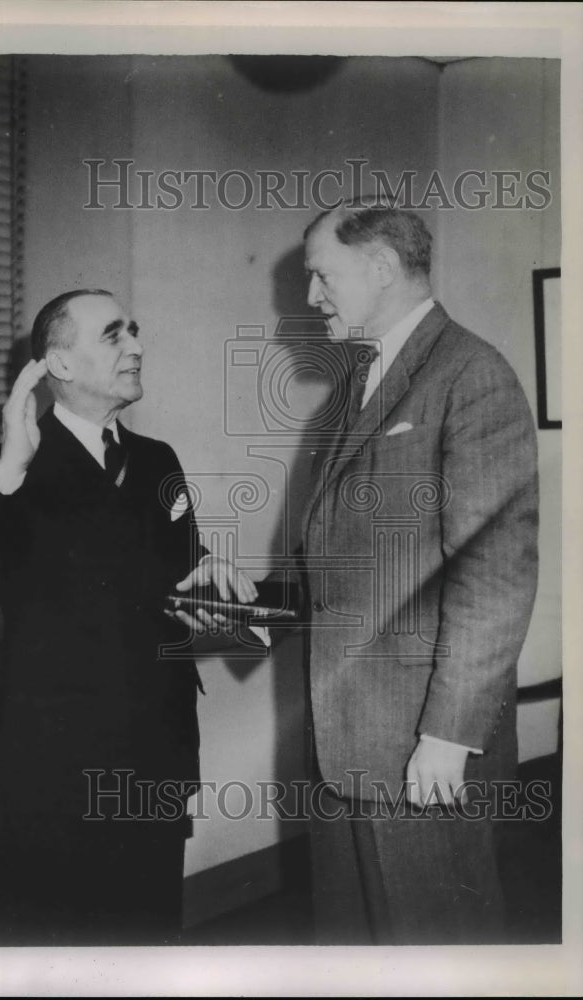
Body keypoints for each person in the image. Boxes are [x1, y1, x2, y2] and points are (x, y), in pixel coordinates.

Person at [0, 289, 256, 946]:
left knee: (149, 939)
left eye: (135, 331)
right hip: (54, 768)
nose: (137, 346)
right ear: (57, 362)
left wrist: (208, 591)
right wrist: (10, 470)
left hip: (157, 752)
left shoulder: (157, 461)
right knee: (57, 950)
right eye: (114, 335)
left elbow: (168, 587)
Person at [297, 204, 539, 944]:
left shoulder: (471, 374)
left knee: (438, 947)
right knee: (356, 947)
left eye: (322, 274)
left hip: (421, 749)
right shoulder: (355, 388)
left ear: (379, 268)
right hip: (346, 744)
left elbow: (494, 574)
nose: (311, 297)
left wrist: (447, 735)